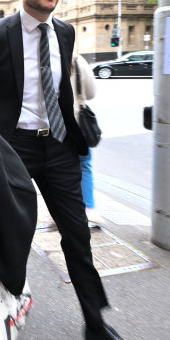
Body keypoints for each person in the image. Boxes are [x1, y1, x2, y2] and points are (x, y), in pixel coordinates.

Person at [0, 0, 122, 340]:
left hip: (59, 146)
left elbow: (62, 90)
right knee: (9, 232)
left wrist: (74, 134)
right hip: (10, 148)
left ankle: (95, 322)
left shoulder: (64, 32)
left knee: (78, 235)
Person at [71, 54, 101, 223]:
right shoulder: (76, 60)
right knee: (84, 165)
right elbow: (90, 93)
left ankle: (64, 209)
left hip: (51, 128)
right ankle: (89, 208)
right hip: (78, 124)